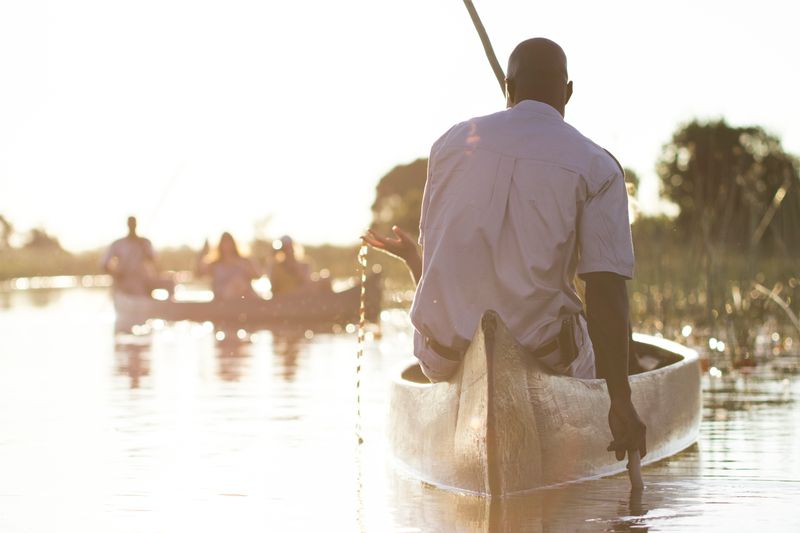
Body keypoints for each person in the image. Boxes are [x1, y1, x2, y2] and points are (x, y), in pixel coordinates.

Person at [363, 38, 645, 464]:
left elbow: (450, 273)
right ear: (567, 93)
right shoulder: (597, 166)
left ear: (508, 88)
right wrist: (620, 400)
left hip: (443, 354)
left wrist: (415, 261)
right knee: (617, 326)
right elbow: (605, 289)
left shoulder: (451, 145)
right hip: (546, 354)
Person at [102, 216, 162, 296]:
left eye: (133, 223)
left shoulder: (145, 242)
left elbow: (153, 260)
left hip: (145, 279)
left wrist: (145, 249)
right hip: (125, 281)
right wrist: (116, 274)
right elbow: (104, 264)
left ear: (136, 224)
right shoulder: (118, 244)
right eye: (130, 223)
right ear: (127, 225)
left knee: (170, 283)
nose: (132, 225)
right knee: (137, 289)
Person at [196, 232, 260, 301]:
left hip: (244, 301)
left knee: (238, 283)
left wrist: (244, 268)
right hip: (222, 302)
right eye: (224, 242)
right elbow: (198, 273)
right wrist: (203, 250)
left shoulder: (244, 261)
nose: (227, 245)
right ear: (220, 245)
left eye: (229, 242)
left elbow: (257, 275)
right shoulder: (214, 264)